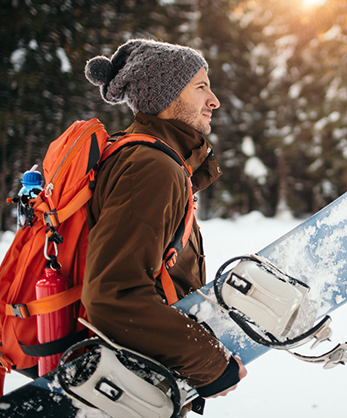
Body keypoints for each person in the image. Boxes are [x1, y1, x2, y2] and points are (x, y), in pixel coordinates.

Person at [82, 39, 247, 413]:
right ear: (167, 95)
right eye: (201, 86)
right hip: (127, 386)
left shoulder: (150, 158)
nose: (214, 100)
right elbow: (113, 294)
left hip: (138, 377)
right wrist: (208, 362)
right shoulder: (151, 167)